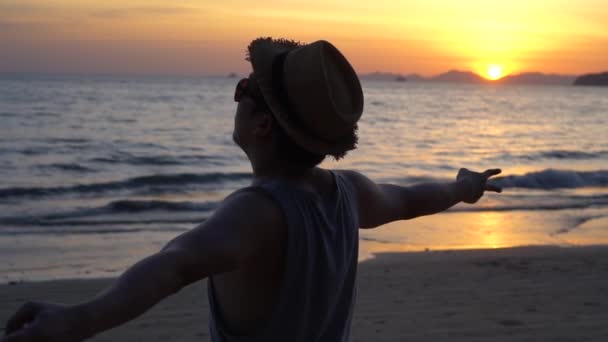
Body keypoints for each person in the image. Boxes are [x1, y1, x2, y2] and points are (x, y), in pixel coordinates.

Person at [2, 37, 502, 342]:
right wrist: (463, 187)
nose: (236, 95)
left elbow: (172, 265)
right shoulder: (348, 194)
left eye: (243, 90)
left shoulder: (256, 213)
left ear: (263, 126)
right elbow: (412, 198)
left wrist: (79, 321)